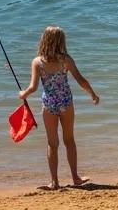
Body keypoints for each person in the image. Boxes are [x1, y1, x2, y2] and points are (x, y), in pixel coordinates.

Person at [18, 26, 99, 190]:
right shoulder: (66, 60)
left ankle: (54, 182)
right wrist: (92, 94)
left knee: (52, 143)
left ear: (44, 40)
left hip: (49, 105)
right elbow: (80, 79)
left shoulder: (37, 62)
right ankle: (75, 177)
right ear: (61, 42)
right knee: (69, 140)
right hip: (66, 103)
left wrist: (23, 94)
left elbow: (33, 87)